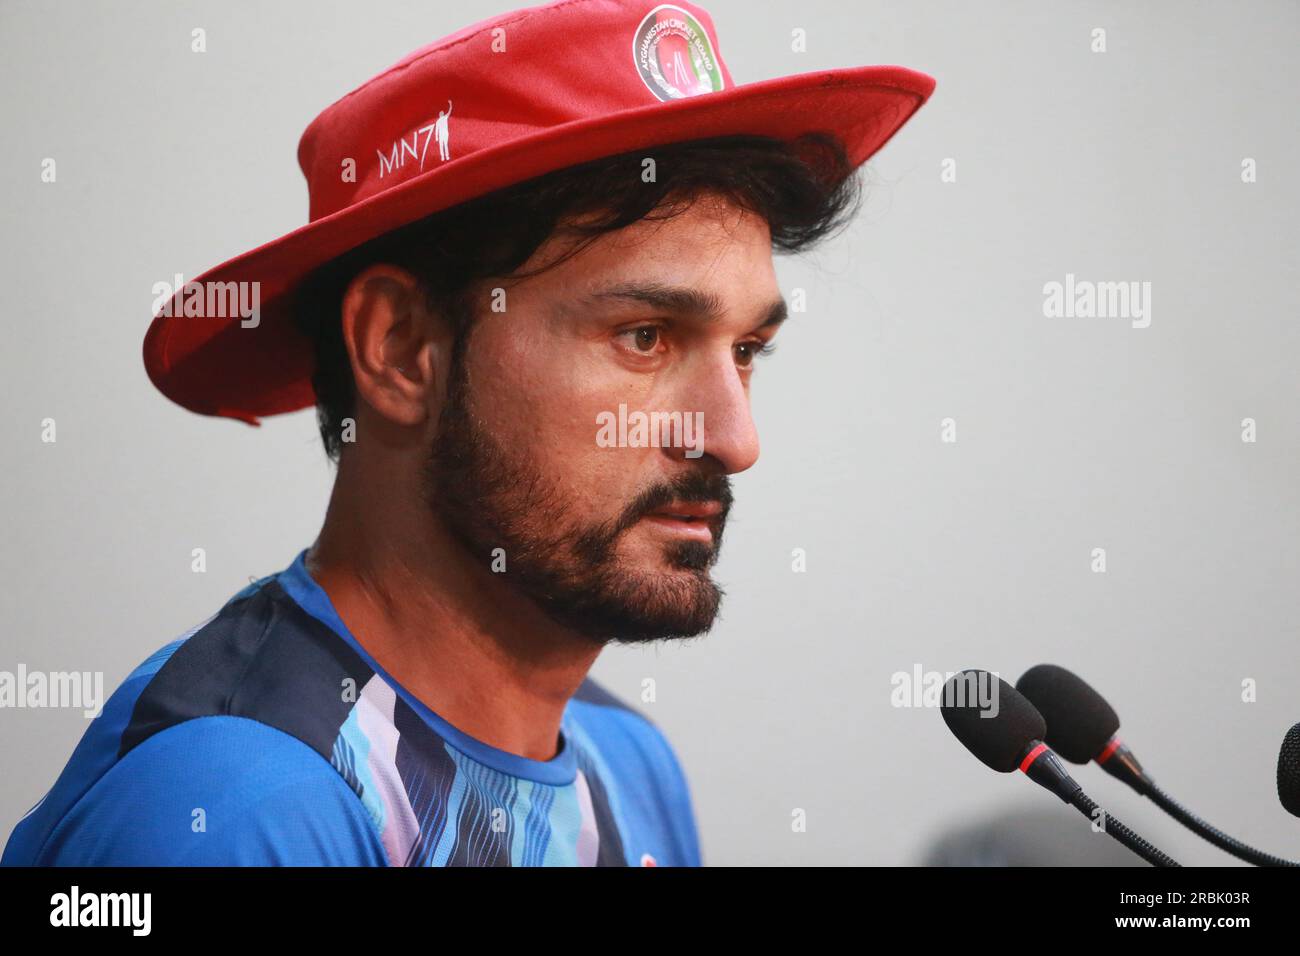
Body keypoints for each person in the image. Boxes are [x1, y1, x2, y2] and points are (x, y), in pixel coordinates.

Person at [2, 0, 933, 866]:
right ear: (403, 349)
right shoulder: (238, 811)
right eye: (646, 337)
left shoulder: (626, 762)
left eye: (747, 351)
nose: (734, 438)